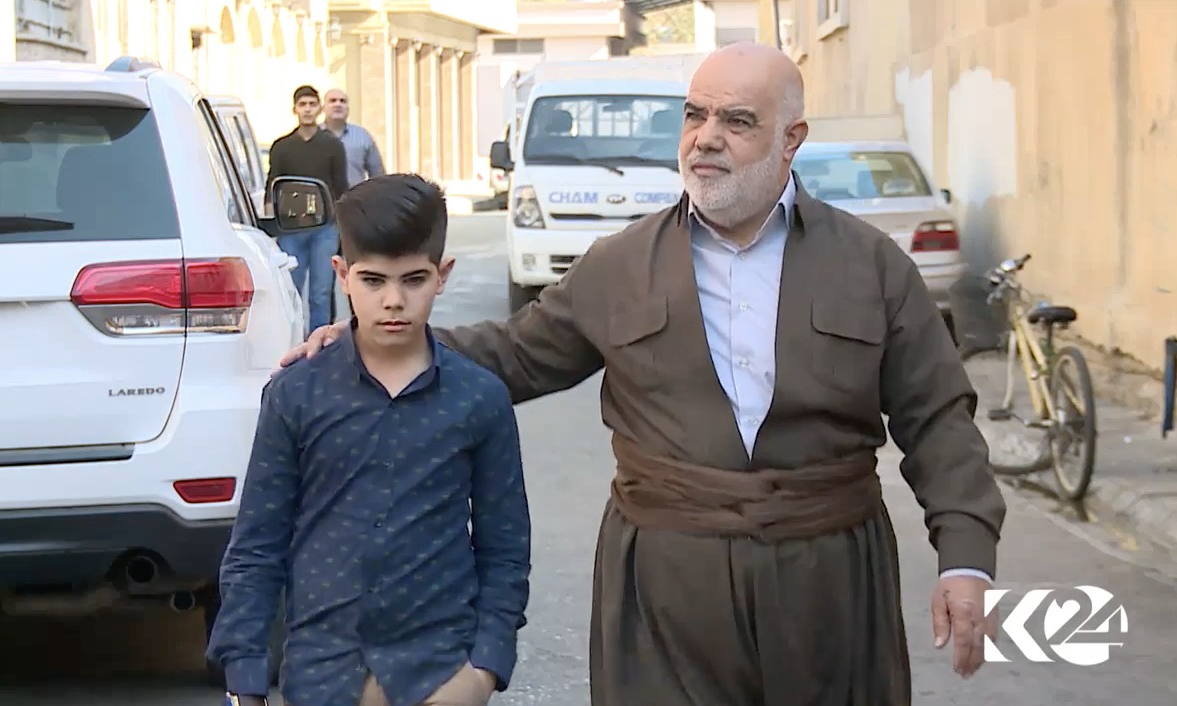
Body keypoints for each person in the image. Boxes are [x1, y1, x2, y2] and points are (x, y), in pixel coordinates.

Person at [278, 42, 1007, 706]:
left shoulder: (871, 266)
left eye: (737, 120)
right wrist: (377, 339)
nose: (706, 137)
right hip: (664, 591)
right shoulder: (621, 265)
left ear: (792, 140)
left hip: (831, 588)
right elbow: (515, 354)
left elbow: (938, 418)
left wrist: (965, 560)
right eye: (694, 115)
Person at [210, 174, 532, 706]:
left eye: (414, 279)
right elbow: (257, 546)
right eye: (374, 280)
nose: (393, 301)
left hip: (440, 675)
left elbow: (505, 550)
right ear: (342, 275)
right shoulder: (297, 394)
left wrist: (484, 670)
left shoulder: (479, 399)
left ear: (442, 275)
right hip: (323, 677)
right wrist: (244, 681)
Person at [267, 85, 351, 332]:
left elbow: (341, 186)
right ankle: (291, 338)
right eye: (302, 105)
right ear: (294, 109)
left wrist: (344, 227)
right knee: (289, 289)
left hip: (325, 227)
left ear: (319, 108)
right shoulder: (282, 147)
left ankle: (320, 340)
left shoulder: (332, 145)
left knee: (321, 292)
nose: (307, 109)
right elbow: (272, 186)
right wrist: (270, 222)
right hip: (291, 227)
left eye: (312, 104)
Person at [320, 87, 386, 188]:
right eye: (332, 101)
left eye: (343, 101)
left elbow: (378, 176)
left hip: (355, 196)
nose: (338, 104)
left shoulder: (363, 136)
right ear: (323, 108)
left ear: (348, 109)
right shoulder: (314, 136)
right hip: (322, 196)